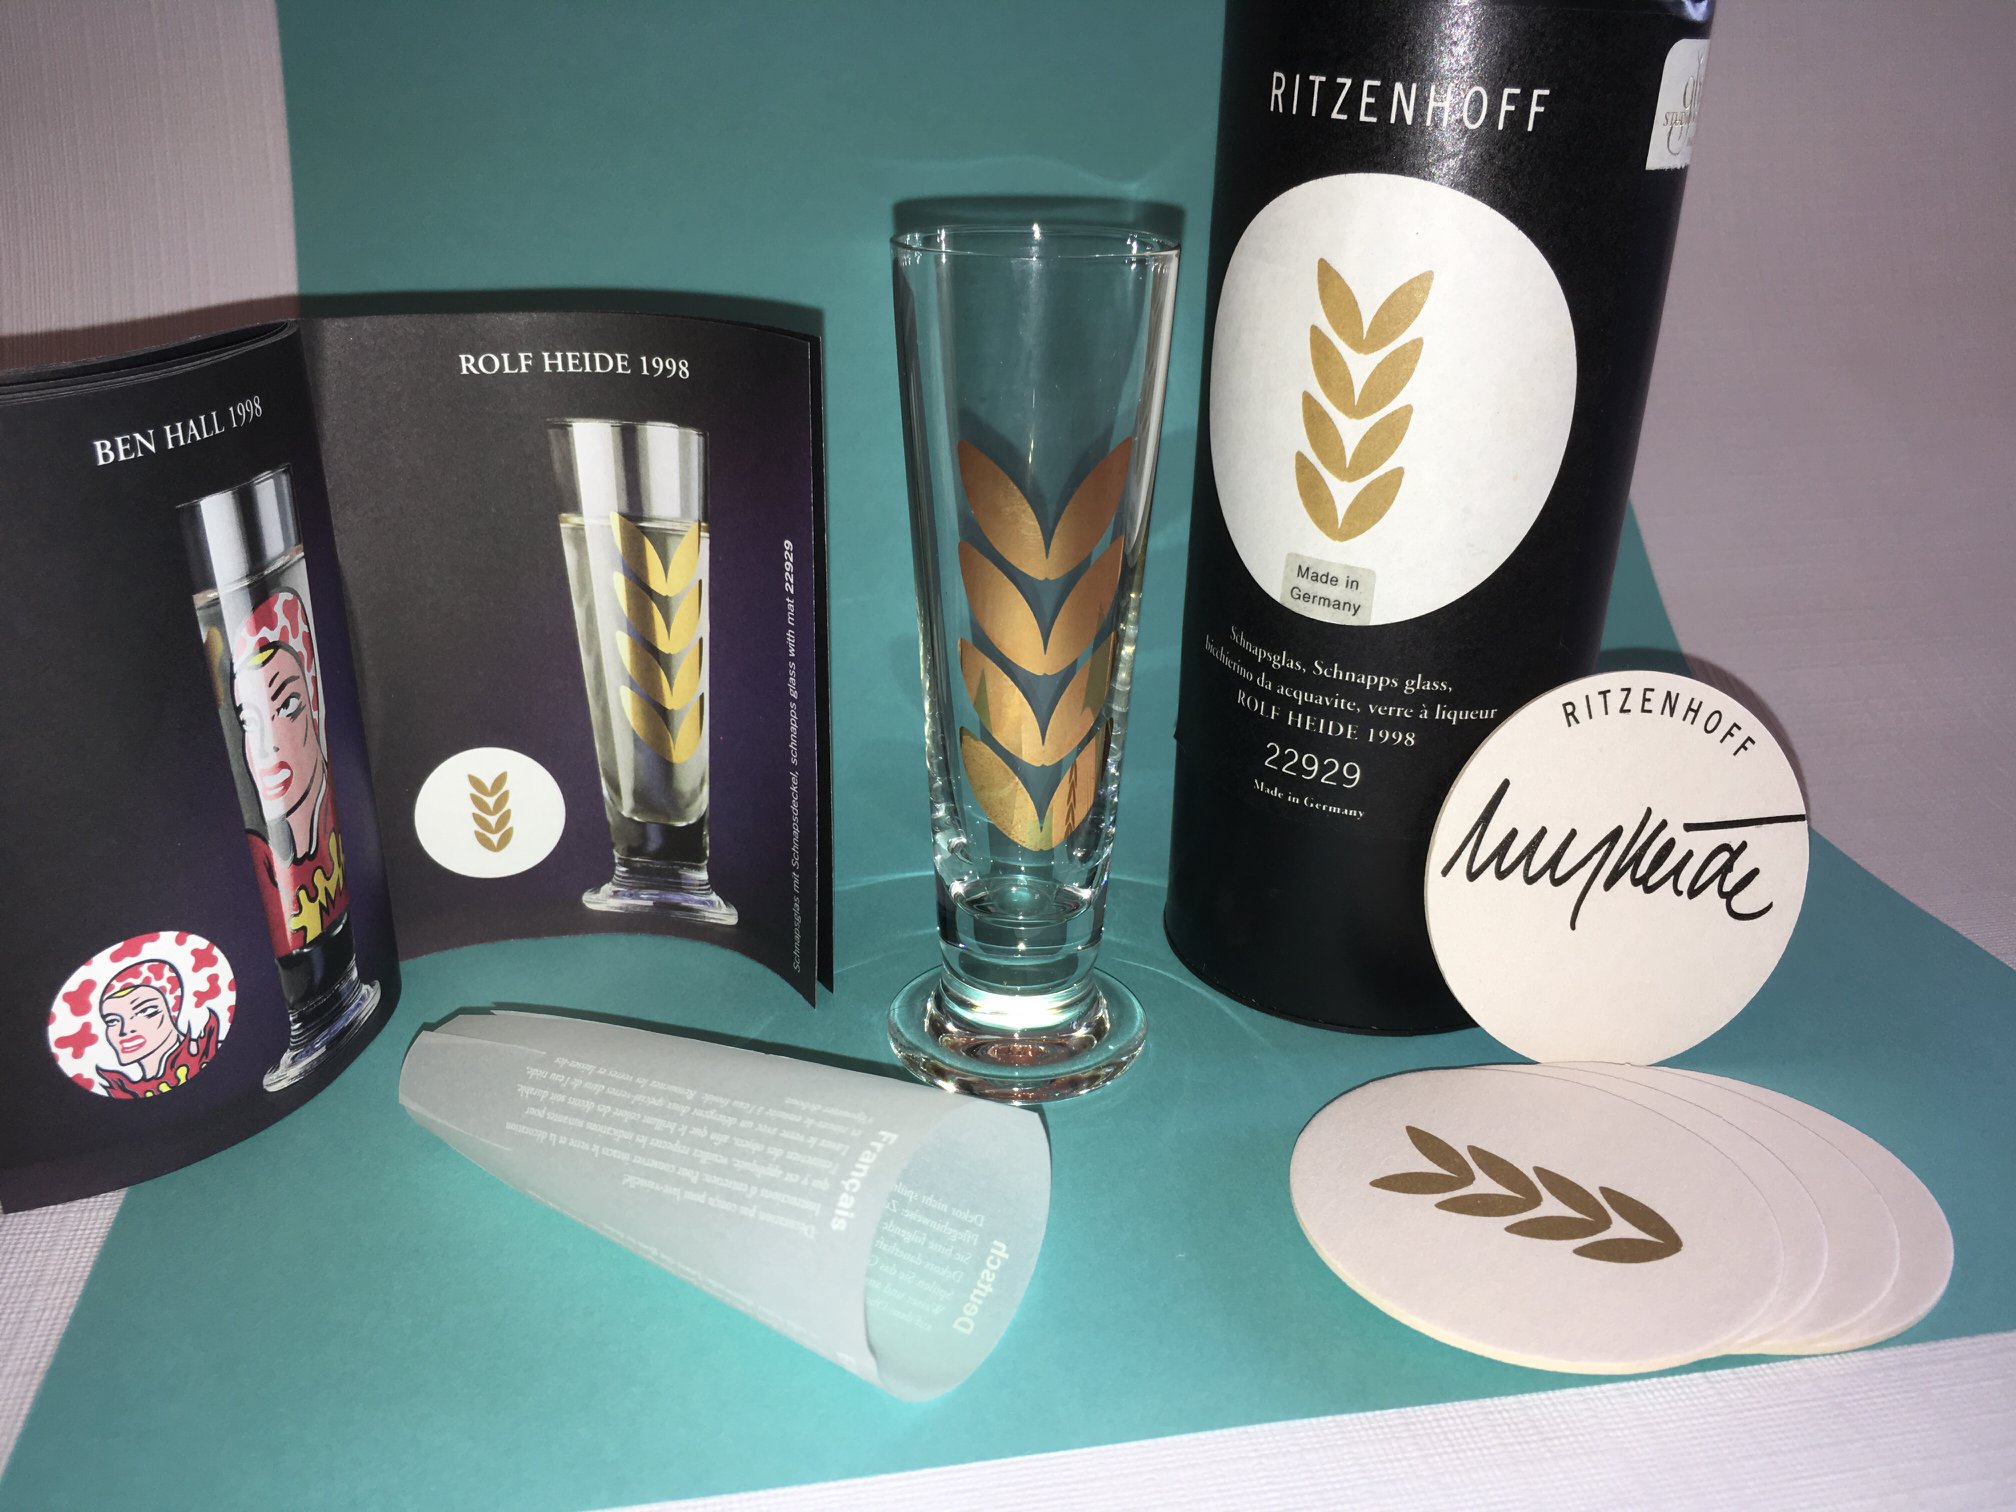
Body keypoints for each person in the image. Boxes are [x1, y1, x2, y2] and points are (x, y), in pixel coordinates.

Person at [229, 589, 349, 955]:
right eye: (250, 722)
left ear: (314, 705)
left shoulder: (343, 820)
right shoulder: (258, 859)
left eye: (287, 705)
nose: (266, 747)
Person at [96, 959, 218, 1099]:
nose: (125, 1029)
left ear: (172, 1012)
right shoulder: (124, 1090)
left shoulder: (207, 1055)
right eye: (112, 1021)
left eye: (145, 1011)